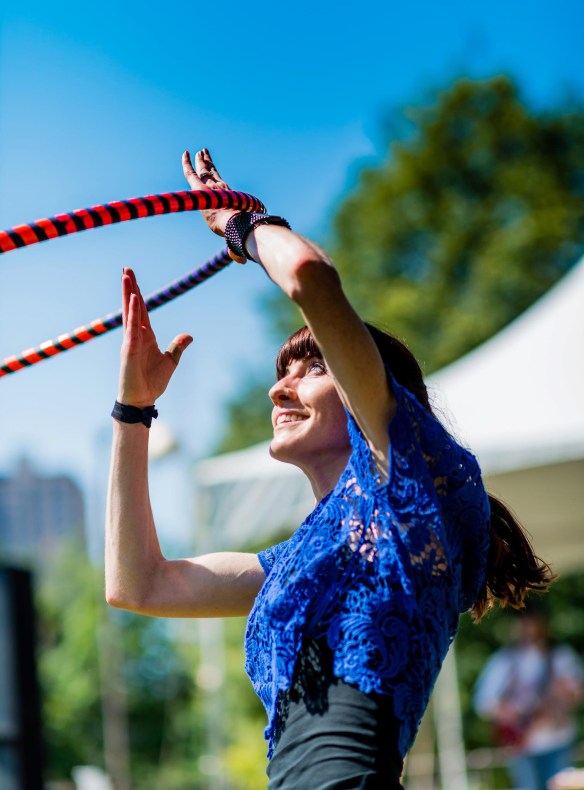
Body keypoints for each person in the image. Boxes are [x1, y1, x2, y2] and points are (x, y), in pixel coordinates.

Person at [105, 148, 554, 788]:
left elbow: (309, 274)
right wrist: (133, 411)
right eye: (280, 372)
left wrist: (241, 225)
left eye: (312, 369)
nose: (278, 390)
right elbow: (137, 584)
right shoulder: (299, 559)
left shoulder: (409, 488)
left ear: (369, 387)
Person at [474, 612, 583, 790]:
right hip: (521, 744)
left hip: (558, 739)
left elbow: (576, 694)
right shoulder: (505, 660)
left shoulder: (561, 657)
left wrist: (564, 693)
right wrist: (510, 712)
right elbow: (483, 703)